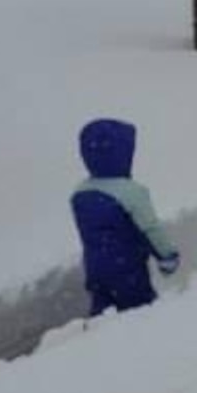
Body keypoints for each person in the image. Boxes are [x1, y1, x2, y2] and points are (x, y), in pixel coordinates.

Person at [71, 117, 181, 315]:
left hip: (95, 270)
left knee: (103, 317)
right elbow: (150, 229)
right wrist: (167, 256)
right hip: (128, 270)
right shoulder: (132, 193)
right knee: (141, 314)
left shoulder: (80, 193)